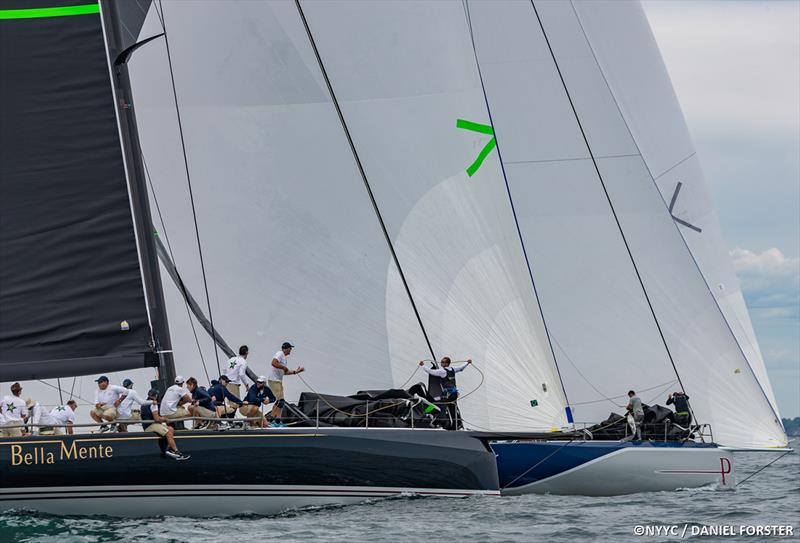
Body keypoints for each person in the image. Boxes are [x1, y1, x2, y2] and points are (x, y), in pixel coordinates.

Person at [419, 357, 472, 425]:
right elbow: (461, 368)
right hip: (454, 393)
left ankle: (435, 418)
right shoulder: (453, 369)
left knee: (435, 402)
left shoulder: (442, 371)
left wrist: (423, 365)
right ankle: (455, 424)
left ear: (447, 363)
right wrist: (467, 363)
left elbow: (431, 372)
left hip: (448, 393)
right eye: (441, 361)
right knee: (451, 407)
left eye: (443, 362)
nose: (441, 363)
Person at [141, 389, 189, 460]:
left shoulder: (145, 403)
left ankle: (170, 448)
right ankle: (177, 452)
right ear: (156, 396)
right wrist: (165, 419)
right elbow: (156, 419)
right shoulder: (153, 404)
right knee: (168, 432)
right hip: (150, 425)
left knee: (170, 429)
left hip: (147, 425)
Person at [267, 342, 304, 421]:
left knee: (281, 402)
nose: (291, 350)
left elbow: (285, 372)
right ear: (286, 348)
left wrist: (296, 372)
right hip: (274, 380)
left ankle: (277, 420)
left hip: (278, 381)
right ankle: (271, 419)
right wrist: (283, 367)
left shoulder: (284, 358)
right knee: (280, 401)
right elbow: (273, 363)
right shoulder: (280, 354)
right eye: (290, 348)